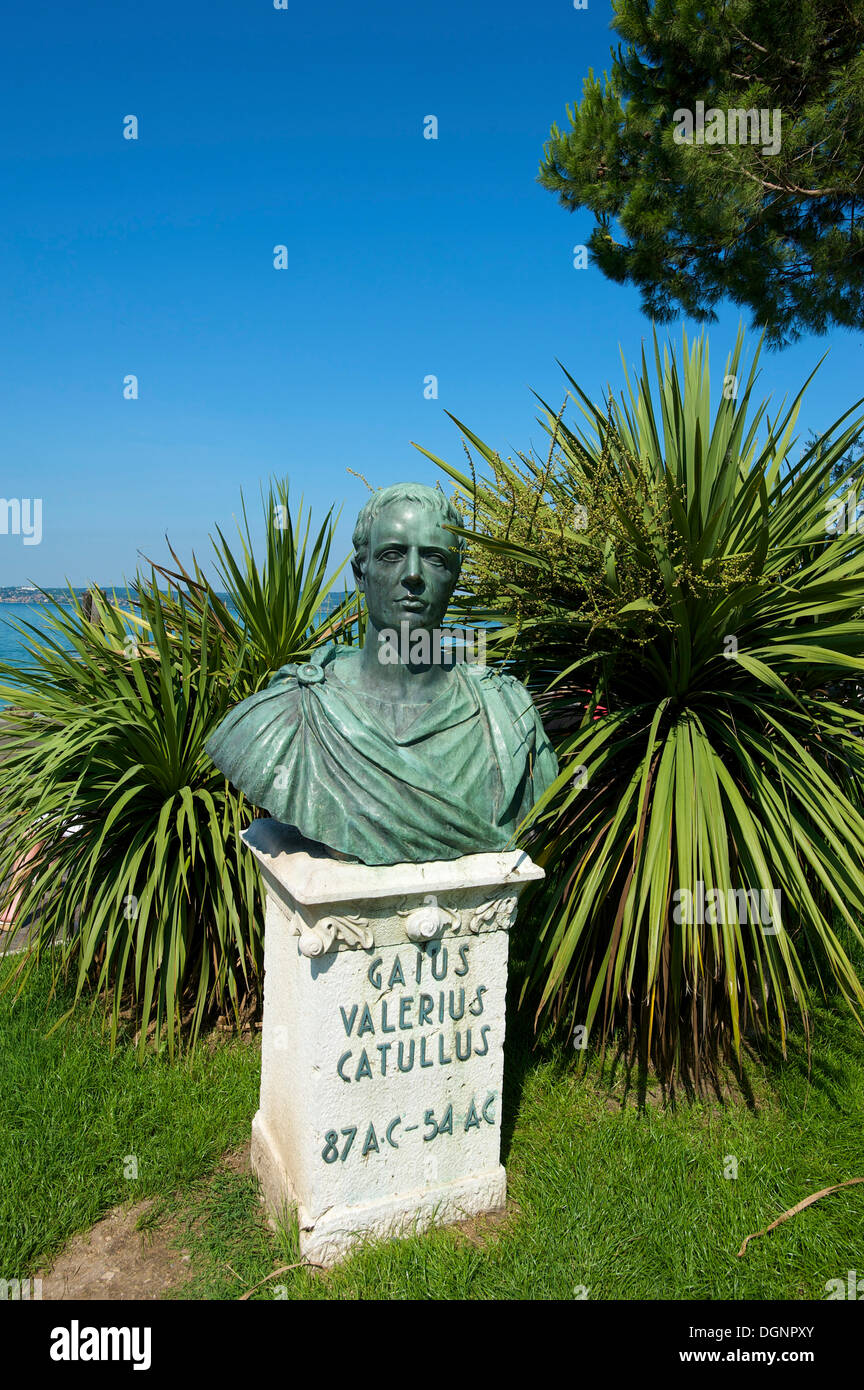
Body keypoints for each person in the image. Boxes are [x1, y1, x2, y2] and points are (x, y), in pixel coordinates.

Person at [206, 483, 558, 865]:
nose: (412, 575)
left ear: (454, 578)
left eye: (435, 559)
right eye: (391, 555)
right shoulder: (289, 715)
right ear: (361, 574)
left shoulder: (507, 715)